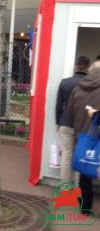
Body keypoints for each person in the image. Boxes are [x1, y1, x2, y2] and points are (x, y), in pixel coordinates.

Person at [67, 61, 100, 215]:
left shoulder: (76, 89)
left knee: (84, 172)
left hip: (81, 136)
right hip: (97, 138)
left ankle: (85, 208)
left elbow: (70, 111)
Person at [55, 56, 89, 182]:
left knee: (67, 155)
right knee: (80, 155)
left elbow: (59, 105)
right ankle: (77, 186)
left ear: (76, 66)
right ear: (88, 68)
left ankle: (65, 186)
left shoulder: (65, 82)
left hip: (66, 122)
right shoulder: (92, 84)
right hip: (84, 125)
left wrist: (58, 121)